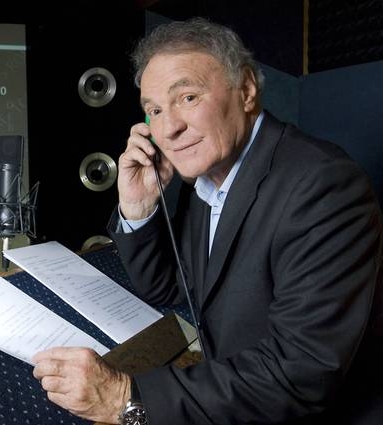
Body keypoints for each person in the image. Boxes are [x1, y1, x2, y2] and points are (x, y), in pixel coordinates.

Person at [32, 17, 383, 425]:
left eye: (187, 97)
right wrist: (139, 208)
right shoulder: (208, 178)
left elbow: (300, 375)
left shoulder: (326, 186)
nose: (169, 128)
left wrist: (125, 397)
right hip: (232, 401)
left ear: (246, 90)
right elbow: (165, 287)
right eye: (154, 110)